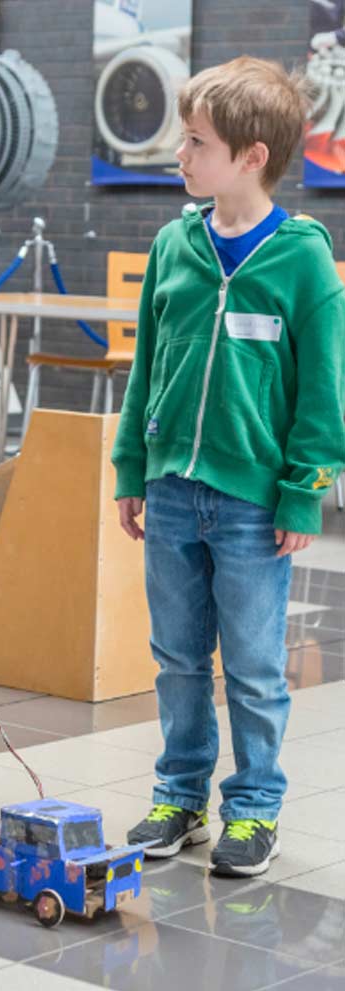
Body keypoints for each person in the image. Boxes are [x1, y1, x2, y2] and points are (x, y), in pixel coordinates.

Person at [112, 57, 345, 878]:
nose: (180, 153)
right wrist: (130, 470)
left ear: (250, 155)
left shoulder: (302, 260)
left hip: (251, 506)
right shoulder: (175, 242)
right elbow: (147, 370)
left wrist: (302, 495)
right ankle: (179, 797)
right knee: (176, 660)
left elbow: (322, 392)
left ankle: (254, 809)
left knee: (249, 667)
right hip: (171, 493)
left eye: (196, 140)